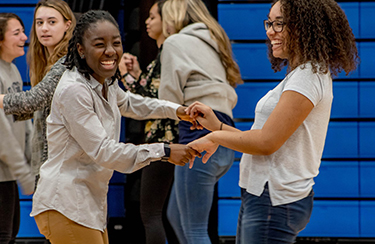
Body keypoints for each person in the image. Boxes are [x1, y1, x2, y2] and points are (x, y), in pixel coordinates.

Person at [186, 0, 359, 243]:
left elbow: (266, 142)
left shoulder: (307, 77)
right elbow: (264, 136)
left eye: (279, 24)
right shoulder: (301, 74)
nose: (270, 31)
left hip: (274, 202)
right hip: (263, 197)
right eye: (269, 22)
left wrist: (215, 137)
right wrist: (217, 126)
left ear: (304, 27)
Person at [30, 10, 200, 244]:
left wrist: (178, 111)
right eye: (100, 44)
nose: (111, 51)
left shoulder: (104, 81)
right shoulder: (74, 90)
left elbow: (130, 103)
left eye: (116, 43)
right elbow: (105, 152)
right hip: (65, 204)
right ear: (81, 49)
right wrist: (165, 151)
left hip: (88, 206)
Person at [159, 0, 243, 242]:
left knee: (194, 229)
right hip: (224, 139)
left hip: (196, 139)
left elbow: (169, 99)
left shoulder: (174, 42)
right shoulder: (214, 42)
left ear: (171, 16)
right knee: (176, 216)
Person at [119, 1, 179, 243]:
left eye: (153, 17)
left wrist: (124, 76)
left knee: (151, 214)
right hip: (168, 142)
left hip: (163, 143)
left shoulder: (169, 52)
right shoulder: (164, 55)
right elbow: (153, 95)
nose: (147, 21)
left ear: (168, 21)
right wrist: (137, 76)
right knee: (169, 215)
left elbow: (153, 102)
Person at [0, 0, 75, 181]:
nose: (44, 28)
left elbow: (33, 100)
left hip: (62, 167)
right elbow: (34, 109)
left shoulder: (66, 62)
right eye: (39, 23)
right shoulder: (44, 62)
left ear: (67, 24)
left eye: (52, 22)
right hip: (49, 164)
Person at [0, 13, 35, 244]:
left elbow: (24, 121)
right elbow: (2, 133)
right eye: (16, 33)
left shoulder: (12, 69)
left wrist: (33, 164)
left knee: (11, 233)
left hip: (8, 173)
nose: (24, 37)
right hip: (3, 171)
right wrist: (24, 172)